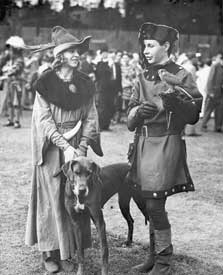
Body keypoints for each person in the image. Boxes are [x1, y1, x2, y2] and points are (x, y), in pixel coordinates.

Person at [25, 26, 103, 273]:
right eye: (72, 50)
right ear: (60, 55)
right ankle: (49, 252)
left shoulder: (85, 83)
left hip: (77, 148)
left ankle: (70, 253)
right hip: (51, 148)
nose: (77, 54)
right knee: (51, 200)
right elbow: (44, 120)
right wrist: (64, 146)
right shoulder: (45, 82)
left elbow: (91, 116)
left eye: (78, 50)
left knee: (75, 197)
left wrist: (79, 148)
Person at [127, 22, 202, 275]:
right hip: (143, 145)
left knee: (155, 205)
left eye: (151, 45)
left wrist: (175, 103)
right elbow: (128, 119)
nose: (146, 50)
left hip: (167, 143)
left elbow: (193, 114)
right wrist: (137, 112)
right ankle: (152, 257)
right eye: (144, 46)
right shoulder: (141, 75)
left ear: (166, 46)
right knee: (149, 203)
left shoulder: (182, 74)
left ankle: (163, 263)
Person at [1, 36, 25, 128]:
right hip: (10, 82)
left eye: (11, 48)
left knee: (16, 103)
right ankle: (10, 119)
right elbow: (3, 67)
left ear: (14, 50)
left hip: (17, 82)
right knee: (9, 102)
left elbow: (16, 70)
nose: (9, 50)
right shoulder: (11, 60)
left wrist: (8, 71)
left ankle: (17, 121)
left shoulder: (19, 59)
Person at [201, 52, 223, 132]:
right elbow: (210, 79)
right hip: (213, 93)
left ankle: (218, 127)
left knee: (220, 111)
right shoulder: (216, 66)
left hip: (221, 93)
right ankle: (203, 125)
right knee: (208, 110)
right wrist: (210, 92)